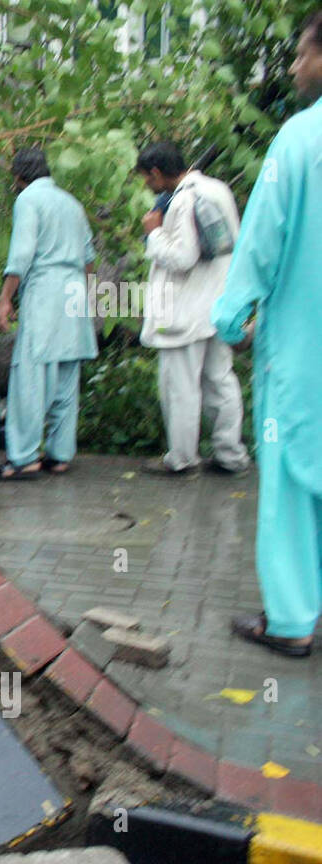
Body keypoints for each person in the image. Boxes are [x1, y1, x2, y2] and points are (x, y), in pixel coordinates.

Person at [212, 11, 322, 657]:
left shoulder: (300, 139)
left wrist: (231, 316)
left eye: (301, 54)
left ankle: (291, 620)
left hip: (303, 353)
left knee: (287, 478)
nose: (292, 67)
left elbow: (261, 241)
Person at [135, 141, 251, 477]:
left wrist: (154, 234)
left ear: (157, 173)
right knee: (219, 381)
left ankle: (182, 458)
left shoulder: (184, 201)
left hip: (184, 312)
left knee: (180, 388)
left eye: (147, 178)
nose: (147, 185)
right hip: (217, 306)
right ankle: (231, 455)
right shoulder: (217, 188)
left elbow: (183, 257)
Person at [0, 147, 97, 481]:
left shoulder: (28, 200)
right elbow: (89, 258)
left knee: (30, 378)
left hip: (46, 291)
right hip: (75, 291)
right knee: (65, 378)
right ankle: (60, 454)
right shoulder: (72, 204)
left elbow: (21, 255)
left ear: (18, 177)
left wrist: (6, 300)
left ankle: (22, 458)